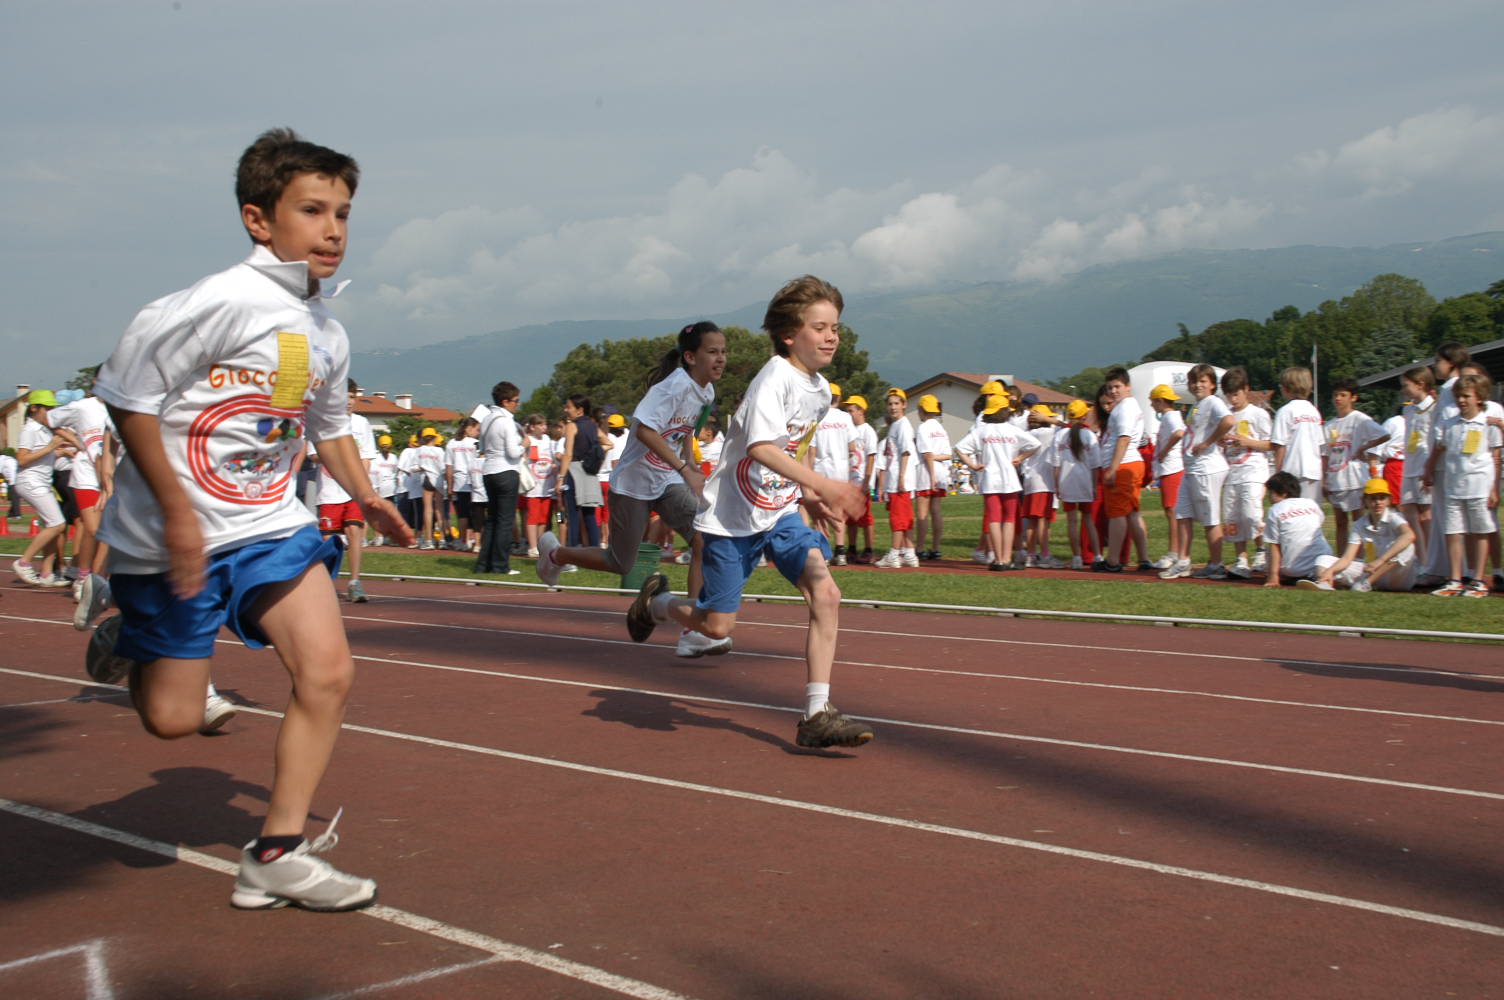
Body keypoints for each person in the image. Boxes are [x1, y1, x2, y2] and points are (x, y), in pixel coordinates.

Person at [85, 128, 411, 911]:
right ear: (258, 219)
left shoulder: (325, 331)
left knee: (329, 672)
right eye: (312, 210)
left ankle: (277, 851)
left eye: (342, 213)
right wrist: (175, 510)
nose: (333, 229)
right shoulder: (215, 303)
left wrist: (365, 495)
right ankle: (128, 640)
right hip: (169, 538)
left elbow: (327, 426)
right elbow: (126, 396)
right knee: (170, 721)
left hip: (269, 525)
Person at [624, 275, 872, 747]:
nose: (832, 336)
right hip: (730, 521)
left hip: (779, 514)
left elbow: (792, 448)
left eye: (835, 327)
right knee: (717, 627)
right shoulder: (773, 379)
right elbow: (759, 448)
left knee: (827, 593)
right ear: (788, 334)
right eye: (820, 327)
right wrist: (823, 484)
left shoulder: (820, 389)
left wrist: (809, 495)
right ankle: (656, 603)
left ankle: (816, 713)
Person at [540, 323, 730, 656]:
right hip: (633, 483)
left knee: (703, 538)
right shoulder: (671, 388)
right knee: (621, 562)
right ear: (689, 356)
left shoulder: (707, 392)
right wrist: (684, 468)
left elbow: (686, 431)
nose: (721, 359)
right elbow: (643, 431)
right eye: (712, 352)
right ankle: (557, 553)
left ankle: (693, 630)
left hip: (668, 480)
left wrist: (690, 468)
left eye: (724, 352)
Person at [1422, 371, 1501, 597]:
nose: (1461, 401)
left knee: (1480, 531)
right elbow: (1440, 449)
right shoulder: (1450, 424)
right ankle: (1456, 579)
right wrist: (1428, 470)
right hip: (1453, 485)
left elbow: (1495, 457)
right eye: (1458, 396)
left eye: (1466, 396)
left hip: (1479, 485)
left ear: (1479, 397)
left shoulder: (1488, 424)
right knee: (1454, 532)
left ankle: (1478, 580)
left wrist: (1494, 488)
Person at [955, 391, 1040, 571]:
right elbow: (1035, 444)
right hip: (1009, 478)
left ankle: (998, 558)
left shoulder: (981, 431)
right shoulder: (1012, 430)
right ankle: (1007, 557)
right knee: (1009, 519)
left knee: (994, 518)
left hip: (990, 479)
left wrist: (972, 464)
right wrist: (1021, 457)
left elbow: (960, 448)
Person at [315, 379, 378, 602]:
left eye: (352, 397)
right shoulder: (323, 422)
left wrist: (363, 486)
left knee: (354, 531)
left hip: (353, 491)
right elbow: (314, 454)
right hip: (330, 490)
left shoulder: (362, 424)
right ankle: (323, 584)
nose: (349, 402)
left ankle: (354, 582)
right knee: (327, 539)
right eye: (344, 397)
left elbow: (367, 458)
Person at [12, 389, 81, 587]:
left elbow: (41, 455)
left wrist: (62, 452)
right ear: (34, 408)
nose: (50, 413)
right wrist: (51, 447)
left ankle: (47, 574)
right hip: (31, 482)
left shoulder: (42, 428)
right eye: (47, 409)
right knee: (57, 525)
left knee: (53, 527)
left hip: (40, 482)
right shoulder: (30, 429)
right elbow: (22, 458)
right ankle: (24, 561)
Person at [1173, 364, 1236, 580]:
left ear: (1211, 385)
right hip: (1192, 468)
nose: (1198, 385)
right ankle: (1183, 561)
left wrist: (1208, 442)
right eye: (1194, 381)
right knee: (1182, 513)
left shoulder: (1213, 402)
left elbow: (1229, 420)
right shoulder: (1197, 405)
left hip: (1207, 467)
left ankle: (1217, 564)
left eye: (1203, 381)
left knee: (1210, 518)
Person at [1301, 478, 1416, 592]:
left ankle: (1366, 584)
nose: (1378, 503)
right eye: (1373, 498)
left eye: (1382, 498)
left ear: (1388, 500)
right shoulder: (1359, 524)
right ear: (1365, 501)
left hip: (1398, 578)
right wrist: (1330, 570)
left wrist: (1380, 560)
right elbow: (1347, 558)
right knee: (1322, 560)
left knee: (1408, 547)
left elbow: (1409, 535)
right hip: (1371, 570)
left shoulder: (1395, 517)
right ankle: (1324, 583)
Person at [1322, 378, 1389, 551]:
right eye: (1336, 395)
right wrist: (1324, 479)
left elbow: (1384, 434)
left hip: (1355, 478)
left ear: (1353, 398)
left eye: (1343, 395)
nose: (1338, 399)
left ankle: (1359, 557)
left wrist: (1364, 448)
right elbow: (1325, 454)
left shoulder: (1360, 419)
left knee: (1359, 521)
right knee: (1340, 522)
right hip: (1336, 478)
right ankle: (1341, 558)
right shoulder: (1329, 425)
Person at [1220, 367, 1272, 579]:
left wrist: (1247, 441)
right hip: (1232, 472)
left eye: (1236, 394)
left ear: (1246, 390)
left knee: (1252, 514)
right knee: (1232, 517)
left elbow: (1271, 443)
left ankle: (1261, 551)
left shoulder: (1258, 414)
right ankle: (1241, 558)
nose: (1233, 399)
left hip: (1254, 470)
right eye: (1229, 395)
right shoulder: (1226, 416)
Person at [1099, 368, 1149, 572]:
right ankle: (1143, 558)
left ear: (1128, 386)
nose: (1113, 391)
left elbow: (1124, 438)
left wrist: (1113, 467)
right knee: (1132, 513)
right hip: (1130, 462)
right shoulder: (1128, 406)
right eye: (1110, 387)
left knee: (1117, 513)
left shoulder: (1125, 408)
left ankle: (1113, 560)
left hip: (1124, 464)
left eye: (1117, 386)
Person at [475, 381, 525, 575]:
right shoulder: (507, 421)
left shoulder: (487, 419)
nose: (517, 404)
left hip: (488, 471)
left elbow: (482, 446)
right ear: (505, 401)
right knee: (505, 521)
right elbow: (513, 452)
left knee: (492, 520)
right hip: (506, 471)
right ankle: (500, 565)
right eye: (515, 401)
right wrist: (525, 445)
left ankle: (483, 564)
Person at [811, 381, 857, 564]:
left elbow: (812, 449)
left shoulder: (817, 416)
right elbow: (853, 446)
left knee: (820, 512)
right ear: (839, 398)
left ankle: (823, 550)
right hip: (840, 469)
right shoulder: (845, 418)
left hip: (821, 469)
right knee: (838, 511)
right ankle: (840, 552)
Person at [1051, 399, 1100, 570]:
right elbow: (1095, 465)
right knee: (1088, 520)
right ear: (1085, 416)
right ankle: (1098, 556)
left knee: (1072, 521)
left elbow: (1055, 465)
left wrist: (1057, 485)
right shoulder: (1089, 435)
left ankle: (1077, 557)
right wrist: (1094, 486)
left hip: (1067, 482)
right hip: (1085, 481)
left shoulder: (1059, 435)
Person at [1261, 471, 1332, 587]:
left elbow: (1274, 545)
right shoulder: (1311, 503)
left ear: (1283, 494)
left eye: (1271, 493)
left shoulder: (1275, 510)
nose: (1269, 497)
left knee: (1269, 549)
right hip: (1325, 562)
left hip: (1294, 570)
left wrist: (1273, 576)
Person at [874, 388, 918, 568]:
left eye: (896, 403)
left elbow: (906, 452)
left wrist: (901, 477)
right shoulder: (896, 425)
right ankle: (909, 552)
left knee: (898, 519)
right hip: (896, 478)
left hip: (900, 479)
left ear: (904, 405)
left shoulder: (903, 426)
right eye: (890, 404)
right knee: (905, 518)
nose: (893, 407)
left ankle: (894, 553)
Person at [1397, 365, 1437, 558]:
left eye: (1407, 385)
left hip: (1424, 466)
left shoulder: (1434, 409)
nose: (1404, 390)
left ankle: (1432, 558)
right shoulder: (1409, 410)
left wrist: (1430, 468)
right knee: (1409, 512)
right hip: (1409, 466)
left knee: (1426, 515)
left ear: (1420, 385)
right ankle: (1422, 559)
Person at [1147, 384, 1187, 571]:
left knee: (1172, 511)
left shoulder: (1171, 416)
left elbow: (1179, 433)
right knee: (1170, 511)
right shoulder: (1171, 416)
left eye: (1153, 402)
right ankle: (1175, 552)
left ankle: (1174, 552)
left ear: (1160, 401)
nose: (1152, 406)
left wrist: (1164, 450)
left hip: (1173, 468)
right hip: (1169, 468)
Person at [557, 394, 604, 548]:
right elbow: (608, 443)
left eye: (569, 407)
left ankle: (573, 553)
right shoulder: (592, 425)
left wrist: (560, 478)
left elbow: (568, 454)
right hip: (590, 472)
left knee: (573, 514)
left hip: (575, 471)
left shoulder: (572, 426)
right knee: (590, 515)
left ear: (579, 410)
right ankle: (594, 551)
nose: (566, 410)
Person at [1270, 366, 1324, 501]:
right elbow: (1320, 445)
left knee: (1292, 512)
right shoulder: (1314, 412)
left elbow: (1279, 445)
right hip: (1313, 471)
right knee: (1311, 512)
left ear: (1287, 388)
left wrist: (1278, 473)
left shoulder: (1285, 411)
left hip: (1291, 472)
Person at [1018, 404, 1060, 567]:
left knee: (1032, 521)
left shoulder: (1026, 434)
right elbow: (1068, 425)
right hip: (1044, 481)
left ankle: (1031, 554)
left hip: (1030, 481)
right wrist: (1048, 419)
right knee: (1043, 520)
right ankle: (1045, 555)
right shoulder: (1049, 432)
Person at [913, 393, 952, 561]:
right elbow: (948, 455)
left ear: (922, 410)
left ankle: (920, 547)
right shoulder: (941, 429)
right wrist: (936, 460)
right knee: (936, 511)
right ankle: (936, 548)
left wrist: (932, 477)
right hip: (942, 470)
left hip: (927, 472)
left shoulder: (923, 428)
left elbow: (927, 454)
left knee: (922, 512)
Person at [843, 394, 878, 563]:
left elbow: (871, 456)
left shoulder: (867, 431)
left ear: (861, 411)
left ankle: (869, 549)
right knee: (850, 519)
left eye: (851, 410)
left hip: (861, 480)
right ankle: (852, 548)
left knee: (865, 517)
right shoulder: (848, 430)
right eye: (847, 410)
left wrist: (866, 481)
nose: (849, 413)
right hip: (849, 480)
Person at [368, 433, 400, 545]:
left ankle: (388, 537)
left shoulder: (394, 458)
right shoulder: (376, 458)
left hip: (390, 489)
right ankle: (380, 536)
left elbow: (396, 473)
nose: (386, 448)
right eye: (384, 446)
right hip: (379, 488)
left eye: (387, 446)